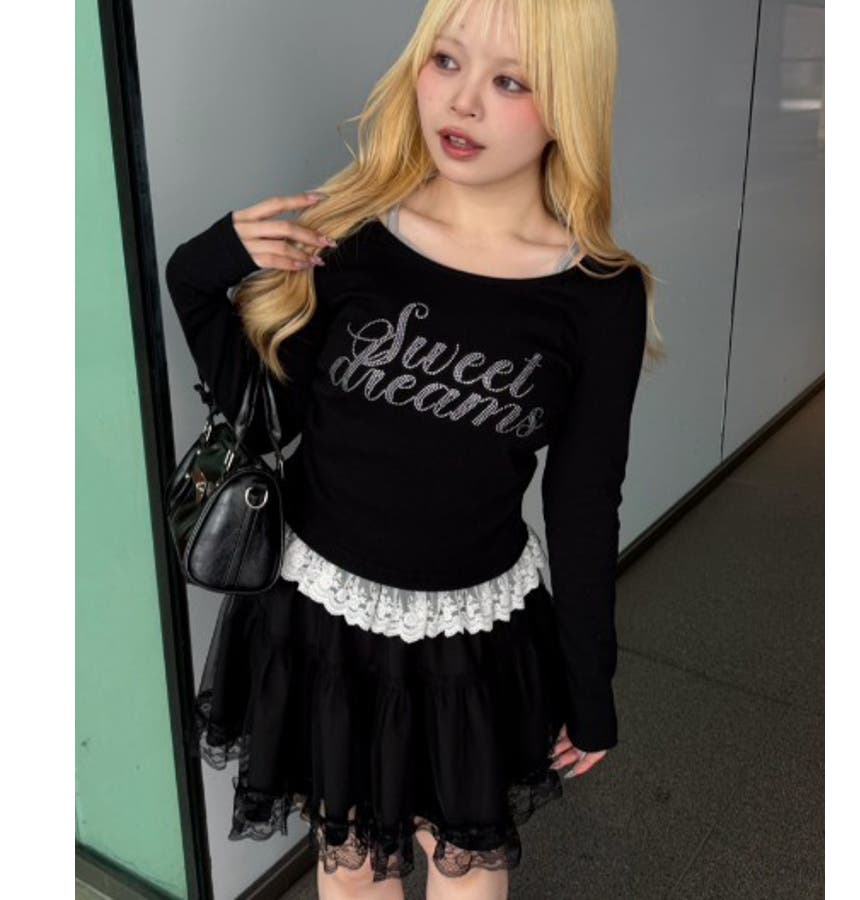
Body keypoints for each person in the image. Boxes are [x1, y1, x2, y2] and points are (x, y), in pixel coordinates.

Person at [165, 0, 663, 897]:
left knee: (463, 857)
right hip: (325, 620)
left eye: (510, 81)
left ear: (569, 103)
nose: (463, 102)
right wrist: (201, 268)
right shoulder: (356, 237)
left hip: (471, 636)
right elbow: (268, 419)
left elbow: (584, 503)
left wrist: (592, 684)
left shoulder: (599, 294)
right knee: (353, 860)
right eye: (446, 61)